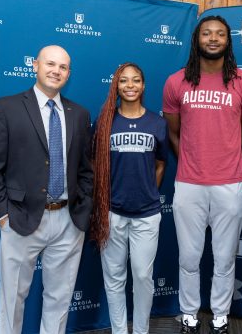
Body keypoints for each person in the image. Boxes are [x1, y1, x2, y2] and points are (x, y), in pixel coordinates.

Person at [0, 45, 93, 334]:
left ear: (69, 73)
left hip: (68, 220)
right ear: (35, 65)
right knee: (12, 299)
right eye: (50, 64)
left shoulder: (79, 114)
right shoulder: (7, 107)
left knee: (60, 298)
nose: (56, 71)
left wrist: (83, 209)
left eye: (63, 67)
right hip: (20, 218)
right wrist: (2, 214)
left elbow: (85, 169)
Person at [162, 15, 242, 334]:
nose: (213, 38)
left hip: (229, 184)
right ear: (197, 39)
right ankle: (189, 314)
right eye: (207, 33)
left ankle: (220, 316)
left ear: (228, 41)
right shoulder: (176, 82)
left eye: (220, 34)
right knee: (189, 257)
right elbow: (173, 133)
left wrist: (222, 159)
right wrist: (193, 160)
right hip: (189, 183)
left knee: (224, 258)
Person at [90, 63, 168, 334]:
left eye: (136, 80)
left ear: (144, 85)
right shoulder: (104, 123)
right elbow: (93, 164)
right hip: (111, 212)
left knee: (143, 276)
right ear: (116, 86)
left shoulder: (157, 123)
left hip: (146, 213)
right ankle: (120, 330)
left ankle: (141, 330)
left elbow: (160, 163)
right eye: (124, 81)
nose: (130, 85)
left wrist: (148, 189)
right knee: (113, 278)